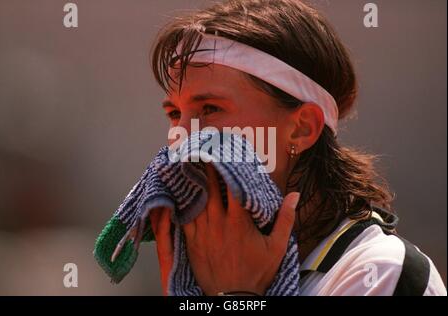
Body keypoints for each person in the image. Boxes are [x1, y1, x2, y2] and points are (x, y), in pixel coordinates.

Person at [147, 0, 446, 296]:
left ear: (302, 128)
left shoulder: (379, 272)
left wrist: (235, 295)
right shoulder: (194, 271)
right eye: (175, 114)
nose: (180, 139)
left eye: (210, 108)